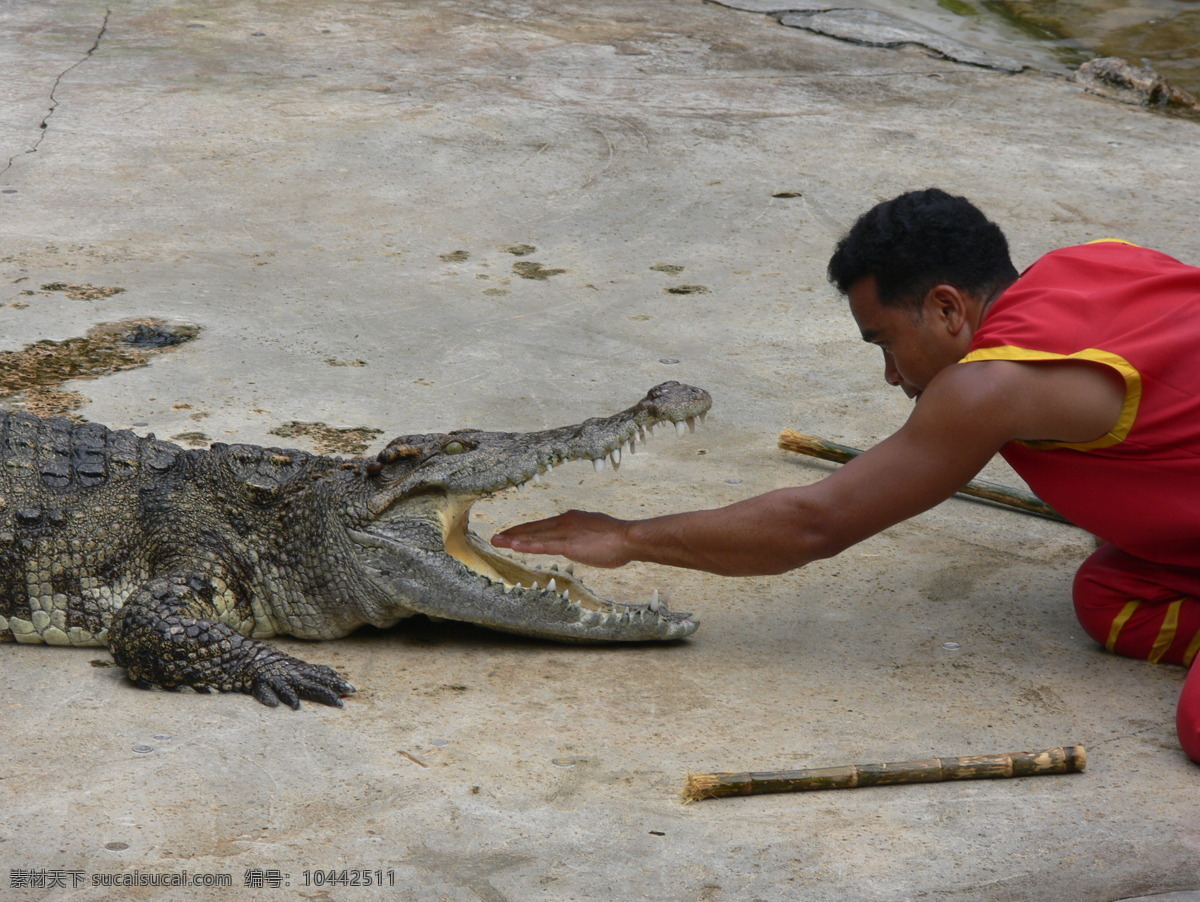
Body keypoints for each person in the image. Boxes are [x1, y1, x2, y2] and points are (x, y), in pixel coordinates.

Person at [491, 188, 1200, 764]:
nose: (891, 375)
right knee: (1109, 597)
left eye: (886, 341)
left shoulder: (987, 387)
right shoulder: (1097, 259)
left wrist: (628, 537)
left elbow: (814, 523)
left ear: (948, 307)